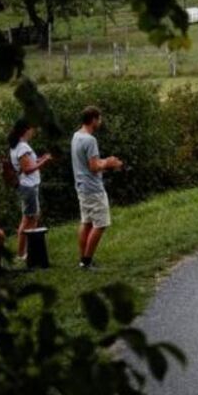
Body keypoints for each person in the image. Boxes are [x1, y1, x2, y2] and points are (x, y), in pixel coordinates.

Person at [72, 106, 124, 271]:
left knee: (86, 222)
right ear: (93, 119)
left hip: (81, 186)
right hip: (93, 188)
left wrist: (105, 160)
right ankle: (87, 262)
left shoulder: (76, 136)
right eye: (99, 119)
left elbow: (90, 163)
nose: (100, 122)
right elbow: (94, 167)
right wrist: (109, 163)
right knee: (100, 224)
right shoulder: (90, 140)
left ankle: (83, 260)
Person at [7, 118, 52, 262]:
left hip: (26, 186)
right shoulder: (22, 147)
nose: (34, 131)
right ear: (25, 130)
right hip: (29, 187)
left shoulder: (17, 146)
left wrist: (39, 159)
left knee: (31, 218)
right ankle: (23, 254)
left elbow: (28, 164)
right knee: (28, 221)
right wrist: (45, 161)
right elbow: (27, 169)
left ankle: (27, 251)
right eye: (32, 128)